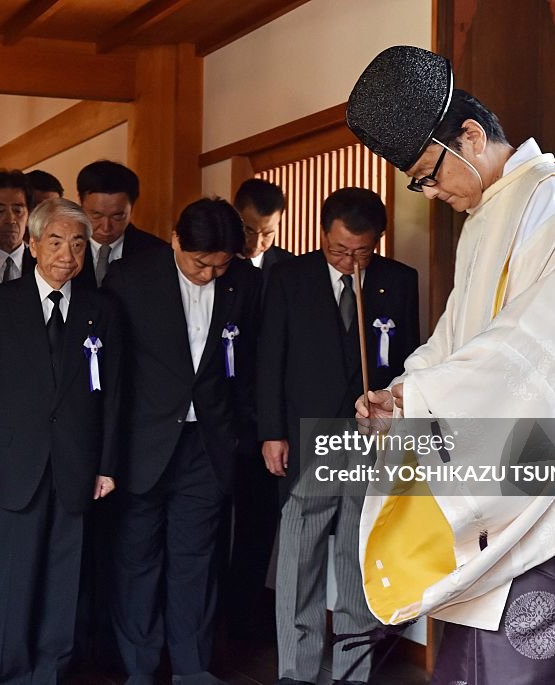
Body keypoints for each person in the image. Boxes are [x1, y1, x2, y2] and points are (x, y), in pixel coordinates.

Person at [348, 46, 555, 683]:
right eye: (419, 184)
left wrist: (430, 397)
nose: (431, 193)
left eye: (429, 175)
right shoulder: (486, 219)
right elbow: (459, 341)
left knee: (554, 644)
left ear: (471, 136)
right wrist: (406, 392)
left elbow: (536, 351)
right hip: (504, 453)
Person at [257, 187, 419, 685]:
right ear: (323, 235)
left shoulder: (398, 281)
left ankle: (353, 670)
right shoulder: (289, 277)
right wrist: (272, 433)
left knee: (355, 553)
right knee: (300, 559)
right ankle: (296, 671)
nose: (350, 261)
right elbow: (270, 359)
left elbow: (411, 362)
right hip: (307, 437)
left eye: (362, 251)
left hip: (368, 437)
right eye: (339, 250)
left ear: (379, 241)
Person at [0, 197, 123, 685]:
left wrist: (107, 464)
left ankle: (50, 672)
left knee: (64, 577)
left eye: (78, 244)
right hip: (14, 466)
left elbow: (113, 396)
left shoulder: (101, 311)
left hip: (76, 465)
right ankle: (7, 672)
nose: (67, 254)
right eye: (55, 242)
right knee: (13, 577)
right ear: (32, 245)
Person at [105, 197, 261, 685]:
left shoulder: (246, 281)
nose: (210, 274)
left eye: (220, 264)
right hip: (142, 442)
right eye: (200, 263)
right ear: (176, 240)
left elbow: (251, 365)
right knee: (137, 558)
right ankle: (139, 667)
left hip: (208, 443)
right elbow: (112, 371)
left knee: (195, 561)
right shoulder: (130, 278)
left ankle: (192, 668)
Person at [221, 177, 294, 640]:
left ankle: (244, 618)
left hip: (265, 418)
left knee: (256, 523)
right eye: (250, 230)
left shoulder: (287, 270)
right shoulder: (216, 263)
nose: (258, 242)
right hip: (219, 411)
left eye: (269, 233)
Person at [75, 160, 165, 288]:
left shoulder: (156, 253)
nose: (106, 227)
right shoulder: (61, 249)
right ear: (80, 202)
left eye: (117, 216)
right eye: (96, 215)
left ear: (132, 206)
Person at [235, 178, 292, 286]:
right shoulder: (215, 263)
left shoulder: (288, 265)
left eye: (267, 234)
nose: (256, 244)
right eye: (249, 231)